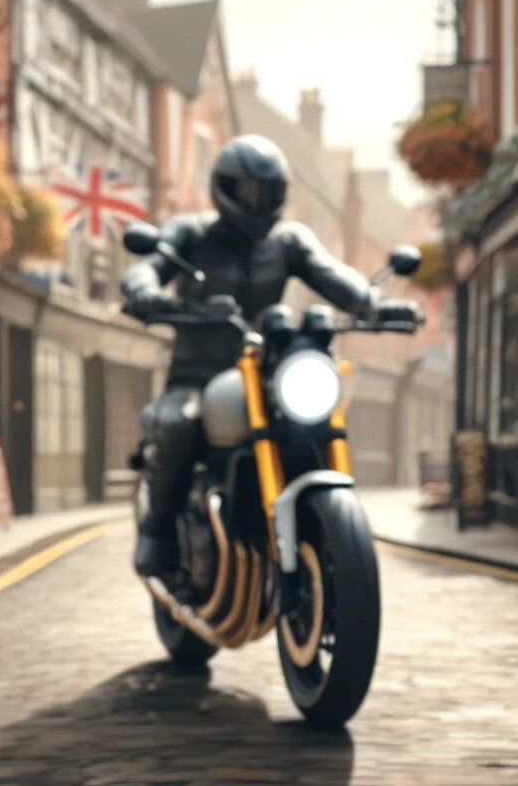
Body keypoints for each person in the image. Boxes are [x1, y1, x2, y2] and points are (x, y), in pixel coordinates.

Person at [121, 134, 417, 578]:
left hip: (265, 376)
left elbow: (332, 274)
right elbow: (148, 269)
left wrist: (371, 303)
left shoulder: (288, 242)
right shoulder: (192, 234)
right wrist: (143, 292)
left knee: (307, 420)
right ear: (224, 188)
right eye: (248, 192)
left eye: (270, 193)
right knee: (179, 421)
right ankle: (158, 530)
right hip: (197, 377)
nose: (259, 204)